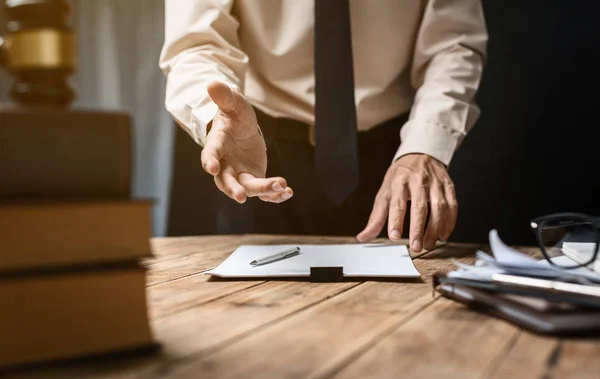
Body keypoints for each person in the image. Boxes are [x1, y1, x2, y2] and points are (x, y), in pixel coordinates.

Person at [159, 0, 488, 252]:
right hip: (258, 155)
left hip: (399, 161)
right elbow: (197, 41)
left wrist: (427, 144)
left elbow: (454, 44)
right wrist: (216, 113)